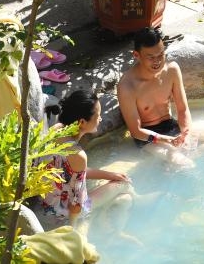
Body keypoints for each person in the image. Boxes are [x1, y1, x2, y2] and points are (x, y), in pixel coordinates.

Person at [117, 28, 204, 167]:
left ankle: (177, 161)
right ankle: (176, 162)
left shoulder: (171, 70)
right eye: (151, 57)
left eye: (161, 55)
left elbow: (183, 109)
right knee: (185, 165)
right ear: (136, 55)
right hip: (148, 138)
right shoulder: (127, 86)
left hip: (171, 126)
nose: (157, 61)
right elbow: (136, 131)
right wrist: (166, 140)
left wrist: (186, 133)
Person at [34, 90, 134, 234]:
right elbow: (77, 204)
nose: (100, 119)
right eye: (98, 116)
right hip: (61, 215)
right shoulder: (78, 155)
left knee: (122, 190)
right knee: (124, 185)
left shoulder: (56, 130)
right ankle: (133, 206)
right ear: (82, 122)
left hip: (43, 206)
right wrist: (72, 230)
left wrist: (109, 175)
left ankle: (123, 205)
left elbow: (69, 171)